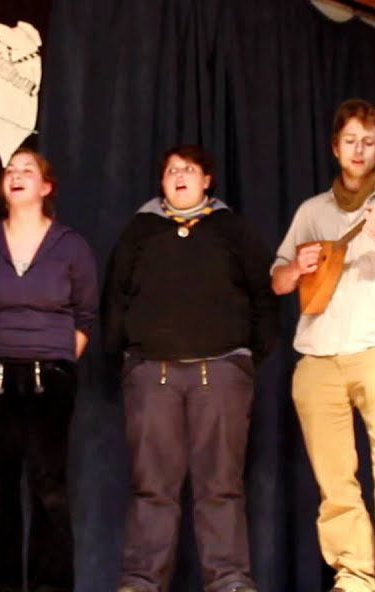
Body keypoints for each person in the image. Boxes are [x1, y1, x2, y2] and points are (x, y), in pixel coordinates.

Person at [271, 100, 375, 592]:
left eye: (368, 141)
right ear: (335, 147)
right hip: (316, 359)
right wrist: (297, 267)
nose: (358, 149)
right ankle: (354, 576)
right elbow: (279, 283)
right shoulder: (311, 212)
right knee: (335, 480)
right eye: (350, 140)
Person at [105, 144, 277, 592]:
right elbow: (114, 296)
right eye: (170, 171)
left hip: (220, 373)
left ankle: (230, 580)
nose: (179, 176)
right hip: (151, 374)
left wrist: (245, 359)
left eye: (189, 169)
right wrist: (125, 358)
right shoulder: (141, 231)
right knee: (153, 488)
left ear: (207, 181)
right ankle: (141, 581)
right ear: (161, 184)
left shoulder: (232, 229)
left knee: (219, 487)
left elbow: (264, 293)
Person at [0, 148, 98, 592]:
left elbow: (86, 316)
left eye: (28, 170)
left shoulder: (71, 245)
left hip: (50, 380)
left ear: (46, 187)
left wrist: (56, 357)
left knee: (49, 490)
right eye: (10, 170)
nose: (17, 175)